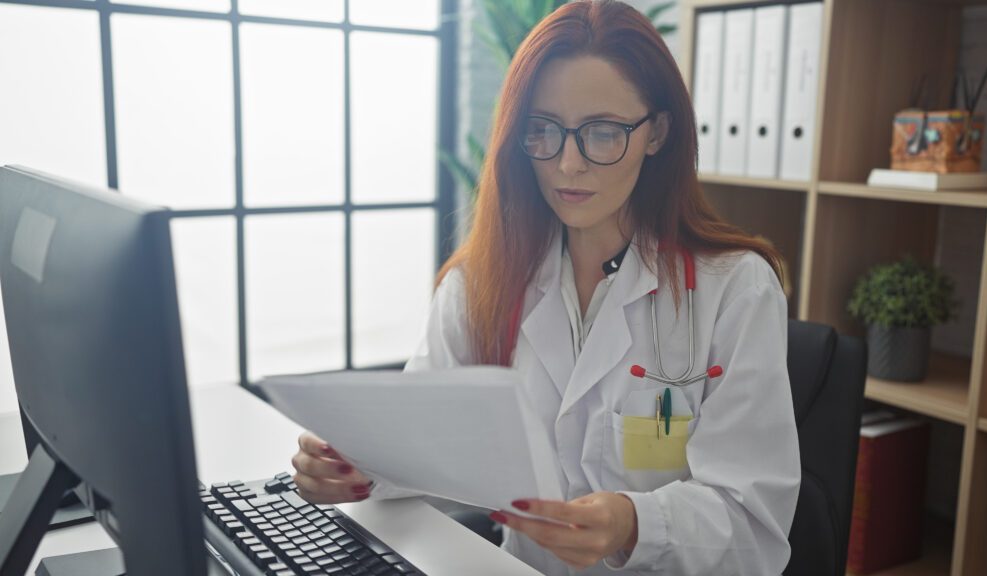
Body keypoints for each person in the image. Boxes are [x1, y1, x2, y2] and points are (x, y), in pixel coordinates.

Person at [289, 1, 801, 574]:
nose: (568, 165)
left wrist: (634, 524)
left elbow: (754, 525)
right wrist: (357, 469)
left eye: (603, 133)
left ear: (657, 132)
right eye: (544, 131)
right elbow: (426, 447)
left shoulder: (734, 289)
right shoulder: (477, 284)